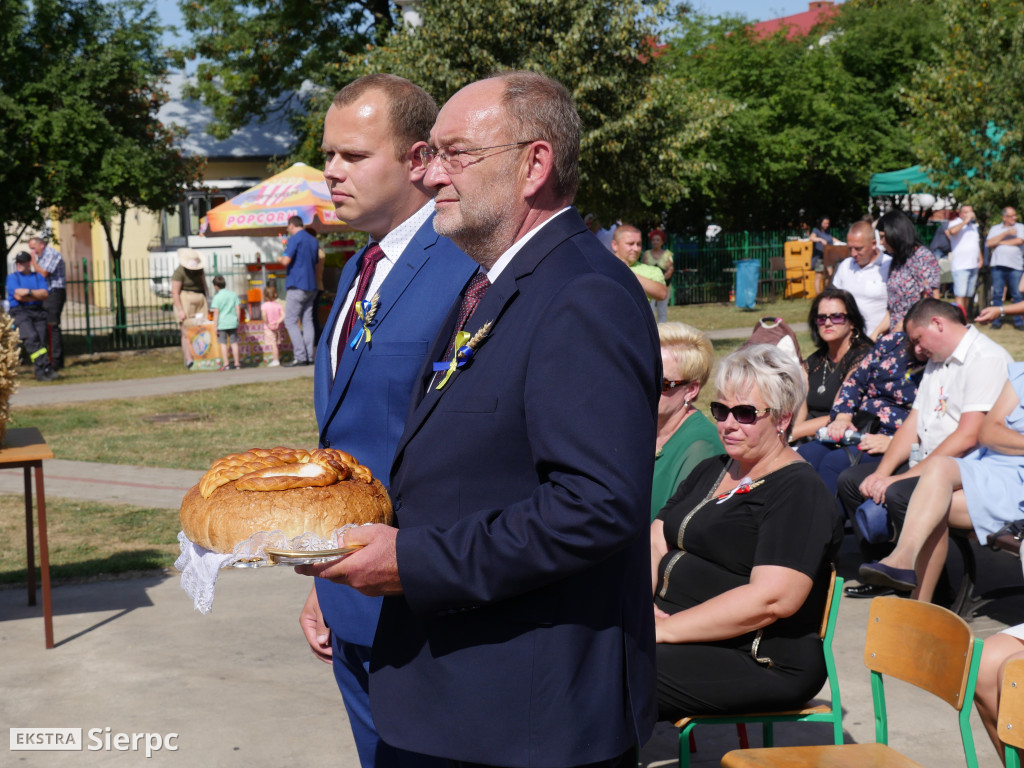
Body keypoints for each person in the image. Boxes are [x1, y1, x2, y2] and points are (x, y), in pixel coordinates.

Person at [299, 71, 660, 768]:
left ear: (535, 164)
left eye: (455, 153)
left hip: (521, 717)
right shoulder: (494, 282)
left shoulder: (583, 293)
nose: (432, 173)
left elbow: (595, 506)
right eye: (430, 153)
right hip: (460, 700)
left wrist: (409, 560)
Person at [297, 74, 476, 768]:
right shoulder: (353, 272)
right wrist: (324, 586)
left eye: (353, 156)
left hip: (424, 603)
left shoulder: (463, 265)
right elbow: (341, 438)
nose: (332, 173)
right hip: (352, 600)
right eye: (327, 156)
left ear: (419, 159)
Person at [652, 344, 843, 719]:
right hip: (682, 628)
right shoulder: (715, 468)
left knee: (610, 668)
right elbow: (657, 538)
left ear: (784, 418)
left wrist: (666, 630)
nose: (728, 423)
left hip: (759, 657)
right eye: (721, 410)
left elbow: (771, 599)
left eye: (745, 413)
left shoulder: (798, 491)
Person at [837, 298, 1011, 598]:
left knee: (901, 493)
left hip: (964, 469)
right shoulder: (937, 360)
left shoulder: (985, 358)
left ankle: (931, 590)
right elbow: (912, 424)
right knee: (853, 483)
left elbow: (969, 437)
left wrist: (897, 479)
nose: (915, 350)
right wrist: (882, 472)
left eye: (917, 339)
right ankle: (885, 570)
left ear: (938, 324)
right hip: (931, 460)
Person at [859, 363, 1024, 604]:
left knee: (932, 505)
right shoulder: (1020, 373)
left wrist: (1007, 438)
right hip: (989, 468)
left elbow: (996, 433)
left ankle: (919, 608)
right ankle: (903, 560)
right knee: (938, 468)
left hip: (1015, 487)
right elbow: (988, 433)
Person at [796, 332, 924, 494]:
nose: (918, 348)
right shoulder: (891, 342)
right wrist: (843, 416)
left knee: (833, 463)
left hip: (894, 437)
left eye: (836, 316)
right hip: (862, 425)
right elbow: (855, 382)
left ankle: (827, 518)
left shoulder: (937, 362)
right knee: (807, 454)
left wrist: (894, 442)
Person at [651, 322, 723, 520]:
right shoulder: (635, 428)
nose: (647, 388)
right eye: (642, 376)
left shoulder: (702, 447)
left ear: (691, 390)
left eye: (661, 383)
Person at [789, 288, 873, 443]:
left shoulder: (862, 358)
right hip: (806, 438)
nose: (827, 323)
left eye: (837, 317)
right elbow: (800, 412)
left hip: (838, 438)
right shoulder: (813, 362)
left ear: (852, 322)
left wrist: (791, 434)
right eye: (821, 318)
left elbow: (840, 412)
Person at [876, 209, 941, 333]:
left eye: (883, 237)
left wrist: (903, 324)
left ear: (895, 233)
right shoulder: (897, 260)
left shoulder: (922, 256)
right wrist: (875, 334)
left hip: (916, 333)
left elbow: (932, 300)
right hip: (896, 334)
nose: (881, 242)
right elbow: (894, 310)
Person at [831, 221, 891, 339]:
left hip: (878, 341)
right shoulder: (845, 265)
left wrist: (877, 334)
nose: (853, 254)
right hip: (848, 340)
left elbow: (896, 309)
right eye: (850, 248)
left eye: (858, 249)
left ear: (874, 244)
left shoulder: (889, 266)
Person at [6, 251, 57, 382]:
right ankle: (45, 368)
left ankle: (41, 373)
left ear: (29, 263)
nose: (20, 265)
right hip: (20, 312)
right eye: (18, 262)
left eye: (22, 262)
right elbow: (18, 295)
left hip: (38, 311)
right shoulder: (13, 278)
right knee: (31, 338)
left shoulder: (38, 277)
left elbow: (45, 294)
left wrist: (28, 292)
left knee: (40, 340)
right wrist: (35, 294)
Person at [277, 215, 320, 366]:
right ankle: (309, 356)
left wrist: (279, 258)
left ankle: (300, 356)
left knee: (290, 321)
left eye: (288, 227)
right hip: (311, 285)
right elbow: (315, 261)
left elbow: (286, 260)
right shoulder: (313, 240)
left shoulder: (294, 238)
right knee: (307, 321)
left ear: (291, 225)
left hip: (297, 285)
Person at [26, 236, 65, 371]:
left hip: (55, 293)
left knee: (52, 326)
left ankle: (56, 361)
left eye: (33, 248)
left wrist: (33, 262)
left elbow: (43, 273)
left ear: (41, 245)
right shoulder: (42, 257)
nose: (33, 251)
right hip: (45, 294)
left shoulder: (51, 254)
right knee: (44, 327)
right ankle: (49, 359)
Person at [984, 206, 1024, 330]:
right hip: (998, 265)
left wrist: (999, 242)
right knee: (997, 294)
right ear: (1004, 217)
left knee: (1017, 294)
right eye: (1011, 216)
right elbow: (989, 243)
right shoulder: (995, 228)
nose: (1014, 218)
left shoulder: (1020, 227)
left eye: (1015, 215)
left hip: (1015, 265)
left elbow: (1019, 241)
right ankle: (996, 320)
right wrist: (1006, 233)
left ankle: (1019, 321)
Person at [612, 223, 667, 308]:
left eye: (638, 244)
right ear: (615, 245)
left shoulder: (651, 271)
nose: (636, 249)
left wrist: (627, 272)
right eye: (630, 244)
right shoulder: (601, 266)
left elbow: (662, 294)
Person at [171, 248, 209, 370]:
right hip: (185, 299)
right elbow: (175, 292)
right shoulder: (179, 272)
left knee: (202, 328)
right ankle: (189, 359)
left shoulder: (200, 270)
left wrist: (207, 299)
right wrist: (180, 310)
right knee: (186, 331)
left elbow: (204, 284)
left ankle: (202, 356)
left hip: (199, 298)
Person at [946, 205, 983, 318]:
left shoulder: (973, 226)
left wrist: (980, 258)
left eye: (971, 212)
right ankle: (959, 319)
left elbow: (975, 244)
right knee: (960, 294)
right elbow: (952, 231)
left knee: (968, 295)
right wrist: (965, 221)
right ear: (961, 214)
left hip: (973, 264)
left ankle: (964, 317)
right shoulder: (955, 223)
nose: (970, 214)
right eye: (966, 212)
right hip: (960, 265)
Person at [209, 275, 241, 370]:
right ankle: (237, 363)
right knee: (234, 343)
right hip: (232, 322)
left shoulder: (217, 297)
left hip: (222, 324)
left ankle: (226, 363)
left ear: (215, 286)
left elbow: (216, 313)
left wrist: (215, 326)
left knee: (223, 343)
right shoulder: (233, 295)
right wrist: (237, 319)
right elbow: (238, 308)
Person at [643, 228, 674, 323]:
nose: (655, 242)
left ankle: (663, 335)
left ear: (662, 242)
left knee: (662, 312)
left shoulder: (667, 254)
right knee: (650, 312)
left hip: (664, 286)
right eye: (653, 240)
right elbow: (644, 269)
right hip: (650, 287)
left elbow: (670, 268)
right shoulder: (646, 254)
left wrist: (663, 279)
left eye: (658, 240)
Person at [809, 216, 834, 295]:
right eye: (825, 223)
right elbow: (811, 238)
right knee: (819, 276)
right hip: (819, 257)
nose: (827, 225)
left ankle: (826, 292)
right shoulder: (816, 231)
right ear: (821, 223)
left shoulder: (827, 232)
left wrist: (841, 243)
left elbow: (832, 239)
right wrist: (820, 239)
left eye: (828, 223)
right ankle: (818, 295)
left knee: (830, 275)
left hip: (828, 257)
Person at [260, 283, 283, 367]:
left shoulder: (264, 306)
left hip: (269, 327)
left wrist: (268, 323)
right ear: (275, 294)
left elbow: (264, 315)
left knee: (273, 344)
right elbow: (283, 315)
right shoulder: (278, 305)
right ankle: (277, 358)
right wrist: (277, 322)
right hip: (277, 327)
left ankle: (276, 360)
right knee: (277, 343)